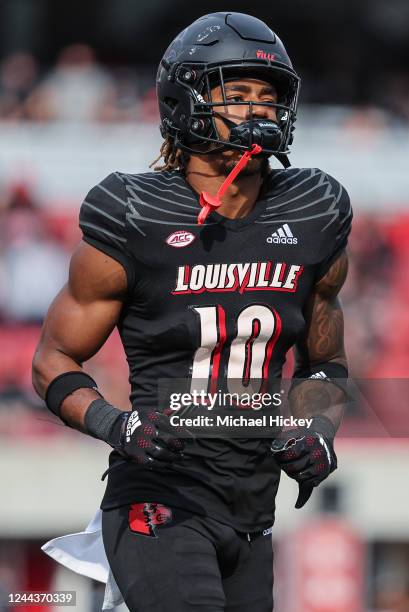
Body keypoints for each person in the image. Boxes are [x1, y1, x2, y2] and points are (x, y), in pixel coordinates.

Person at [32, 12, 352, 612]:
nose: (258, 110)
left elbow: (325, 366)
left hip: (254, 509)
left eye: (268, 96)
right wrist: (114, 423)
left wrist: (320, 433)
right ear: (188, 99)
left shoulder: (316, 210)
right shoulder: (135, 212)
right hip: (159, 497)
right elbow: (53, 360)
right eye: (237, 95)